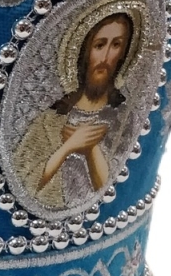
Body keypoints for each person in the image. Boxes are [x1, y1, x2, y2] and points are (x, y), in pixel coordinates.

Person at [13, 12, 137, 211]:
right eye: (99, 45)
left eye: (116, 45)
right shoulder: (51, 119)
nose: (105, 58)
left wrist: (90, 148)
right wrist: (68, 147)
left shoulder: (122, 118)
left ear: (124, 52)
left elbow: (109, 188)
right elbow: (25, 180)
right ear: (84, 50)